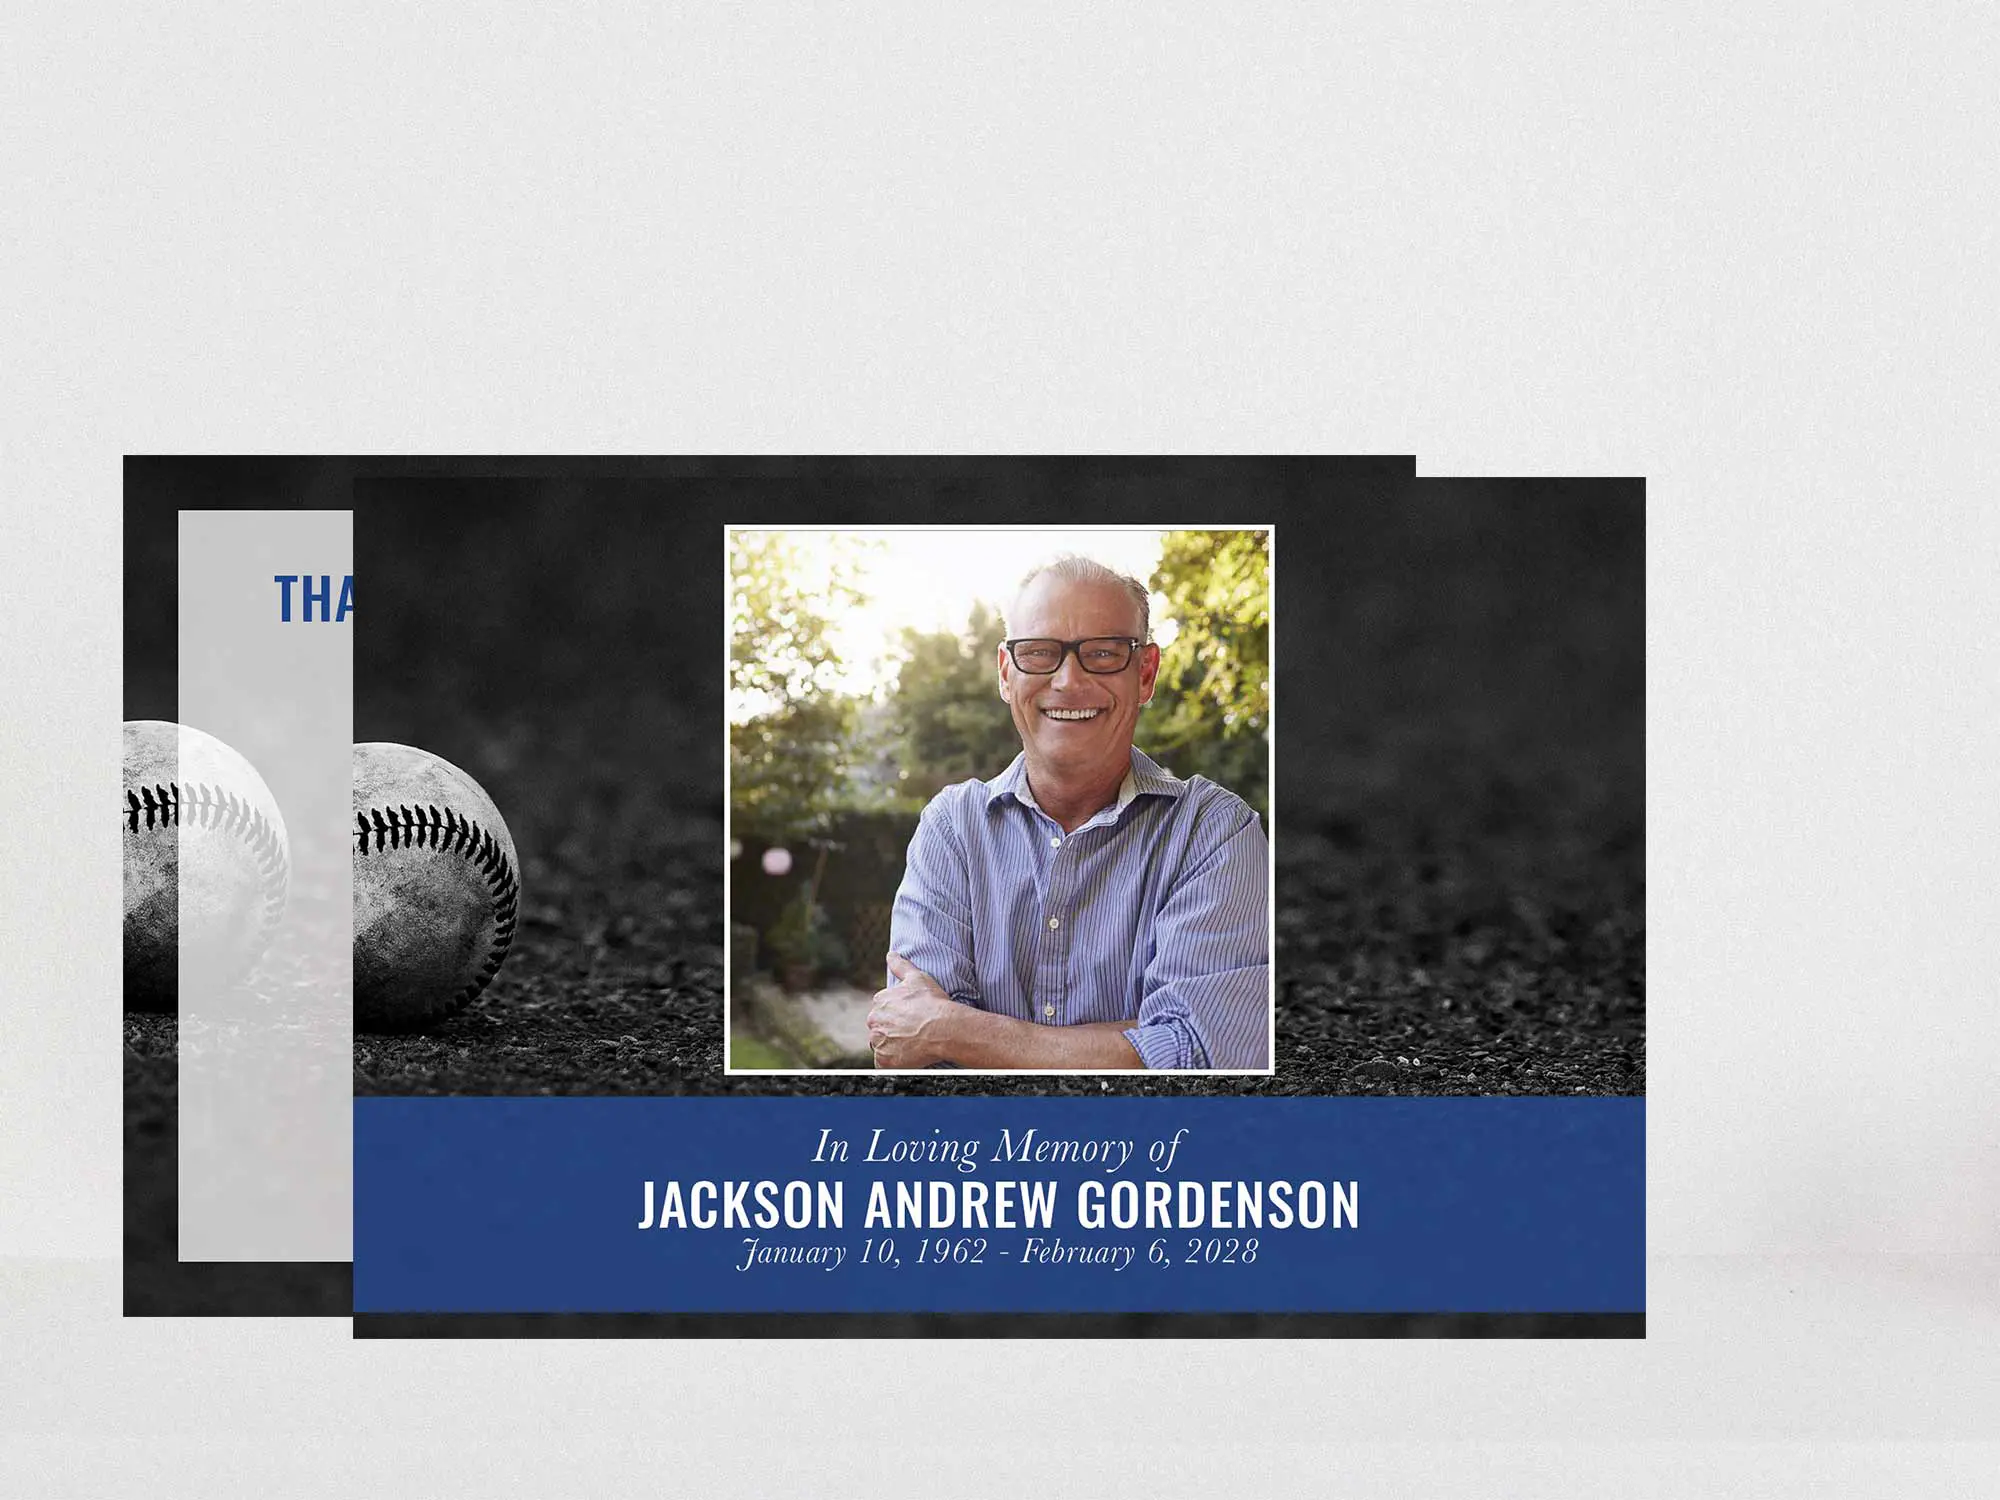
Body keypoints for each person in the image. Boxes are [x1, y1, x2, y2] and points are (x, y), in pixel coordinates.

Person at [869, 554, 1269, 1070]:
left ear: (1145, 673)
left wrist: (955, 1029)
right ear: (1005, 674)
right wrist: (1137, 1041)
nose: (1068, 680)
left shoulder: (1215, 833)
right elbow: (918, 1060)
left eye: (1103, 654)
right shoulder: (951, 829)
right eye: (1039, 652)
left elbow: (1201, 1057)